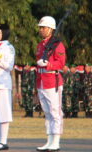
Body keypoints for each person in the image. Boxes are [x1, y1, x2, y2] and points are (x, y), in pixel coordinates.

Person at [35, 16, 65, 152]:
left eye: (44, 27)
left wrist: (48, 64)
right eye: (40, 27)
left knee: (55, 112)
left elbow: (61, 63)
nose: (41, 30)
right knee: (47, 113)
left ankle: (56, 141)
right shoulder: (40, 45)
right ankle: (49, 140)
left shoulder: (57, 45)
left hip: (53, 81)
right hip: (41, 81)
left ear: (51, 29)